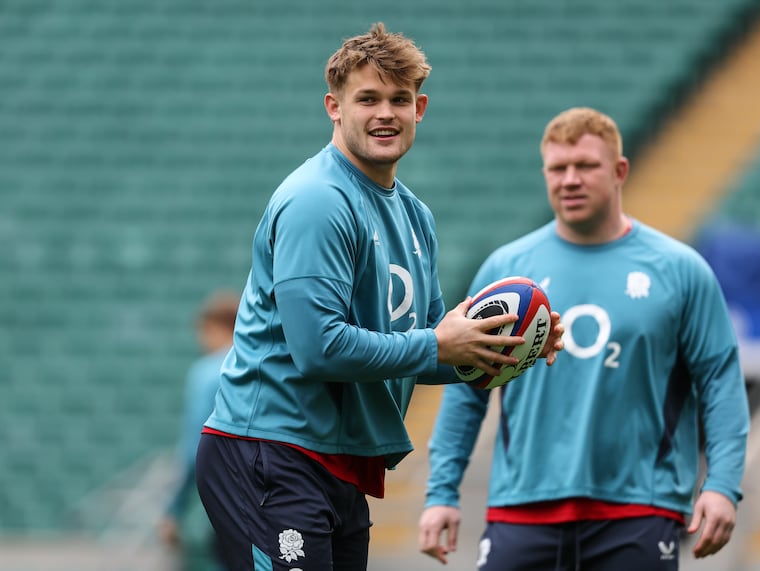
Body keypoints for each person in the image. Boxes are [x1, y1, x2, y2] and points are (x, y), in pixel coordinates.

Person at [194, 22, 564, 571]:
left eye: (400, 99)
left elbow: (431, 344)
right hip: (270, 452)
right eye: (367, 98)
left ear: (421, 108)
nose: (385, 113)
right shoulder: (318, 200)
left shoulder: (415, 215)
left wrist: (501, 346)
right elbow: (319, 348)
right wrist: (441, 346)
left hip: (339, 462)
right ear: (333, 107)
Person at [418, 107, 750, 570]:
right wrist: (441, 493)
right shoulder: (506, 274)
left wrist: (722, 485)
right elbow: (467, 387)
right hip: (521, 510)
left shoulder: (681, 270)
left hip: (638, 510)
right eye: (558, 168)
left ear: (619, 171)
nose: (570, 179)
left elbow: (720, 383)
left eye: (586, 166)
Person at [159, 291, 240, 570]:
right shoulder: (261, 366)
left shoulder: (207, 373)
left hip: (218, 504)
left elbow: (195, 448)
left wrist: (173, 509)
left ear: (213, 328)